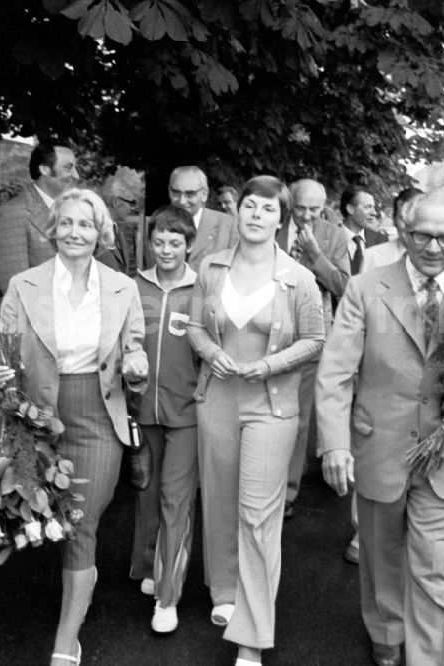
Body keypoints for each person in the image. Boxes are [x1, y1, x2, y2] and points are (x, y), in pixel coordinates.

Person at [316, 191, 444, 666]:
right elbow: (335, 372)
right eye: (423, 235)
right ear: (403, 232)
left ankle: (431, 658)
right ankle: (386, 629)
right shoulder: (365, 288)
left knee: (430, 565)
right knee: (381, 556)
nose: (434, 247)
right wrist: (334, 444)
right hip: (381, 446)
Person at [0, 188, 148, 666]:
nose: (75, 232)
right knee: (58, 519)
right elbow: (3, 347)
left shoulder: (121, 286)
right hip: (42, 414)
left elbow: (134, 344)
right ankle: (84, 578)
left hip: (99, 415)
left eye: (86, 224)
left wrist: (136, 361)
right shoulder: (24, 284)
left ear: (100, 232)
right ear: (53, 229)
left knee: (81, 520)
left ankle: (66, 640)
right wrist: (1, 371)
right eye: (67, 223)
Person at [187, 176, 325, 666]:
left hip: (271, 405)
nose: (256, 215)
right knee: (219, 499)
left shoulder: (298, 278)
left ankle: (253, 637)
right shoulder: (210, 266)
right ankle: (225, 591)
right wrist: (209, 351)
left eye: (268, 209)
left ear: (280, 218)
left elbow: (315, 339)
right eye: (249, 205)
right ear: (238, 211)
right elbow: (195, 326)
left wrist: (269, 364)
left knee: (258, 515)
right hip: (217, 397)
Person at [126, 205, 201, 633]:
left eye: (176, 242)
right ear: (149, 244)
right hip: (142, 412)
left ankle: (168, 599)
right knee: (147, 495)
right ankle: (152, 562)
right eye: (159, 242)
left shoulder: (202, 289)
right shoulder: (134, 287)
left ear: (189, 245)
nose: (167, 249)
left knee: (177, 500)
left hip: (187, 413)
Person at [275, 178, 351, 517]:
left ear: (325, 207)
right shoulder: (274, 223)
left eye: (315, 210)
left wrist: (316, 255)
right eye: (301, 209)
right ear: (290, 203)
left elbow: (343, 286)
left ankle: (287, 493)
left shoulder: (333, 234)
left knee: (300, 415)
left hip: (311, 331)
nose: (307, 217)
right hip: (268, 328)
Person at [0, 142, 78, 293]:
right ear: (44, 169)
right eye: (68, 167)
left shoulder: (73, 211)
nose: (76, 176)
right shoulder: (14, 213)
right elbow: (15, 288)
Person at [169, 166, 239, 269]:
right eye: (176, 193)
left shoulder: (229, 226)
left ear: (204, 195)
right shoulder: (158, 225)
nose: (182, 201)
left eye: (190, 194)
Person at [96, 173, 142, 274]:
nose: (132, 209)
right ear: (116, 202)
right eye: (131, 203)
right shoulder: (95, 231)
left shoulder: (121, 229)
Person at [340, 185, 387, 275]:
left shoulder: (381, 240)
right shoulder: (327, 239)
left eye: (373, 207)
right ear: (350, 209)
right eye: (368, 207)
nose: (374, 213)